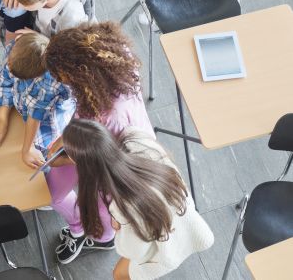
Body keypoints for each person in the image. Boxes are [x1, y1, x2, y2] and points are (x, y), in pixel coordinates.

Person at [42, 21, 154, 264]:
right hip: (95, 143)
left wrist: (62, 157)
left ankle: (102, 238)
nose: (66, 85)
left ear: (79, 75)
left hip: (112, 165)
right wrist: (65, 138)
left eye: (66, 79)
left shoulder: (106, 114)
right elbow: (83, 120)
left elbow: (91, 155)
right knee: (53, 193)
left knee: (102, 207)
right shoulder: (113, 57)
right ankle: (82, 227)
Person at [62, 119, 213, 280]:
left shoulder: (124, 206)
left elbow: (134, 250)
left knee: (119, 275)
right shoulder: (136, 139)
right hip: (186, 221)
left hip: (167, 248)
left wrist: (118, 227)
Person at [0, 31, 75, 170]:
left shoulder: (48, 83)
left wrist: (27, 149)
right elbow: (4, 80)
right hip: (27, 109)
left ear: (35, 76)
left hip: (47, 120)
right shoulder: (14, 50)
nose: (8, 68)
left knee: (45, 156)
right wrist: (2, 121)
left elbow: (35, 116)